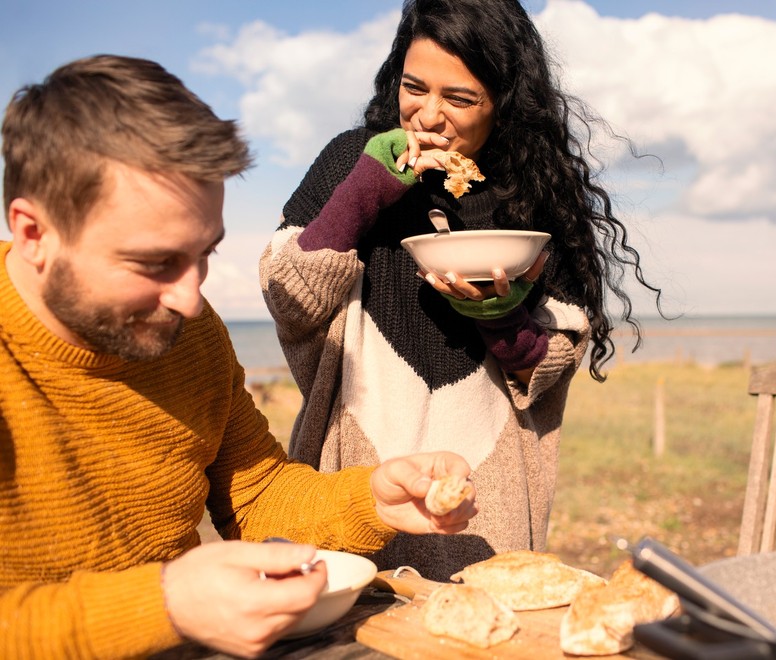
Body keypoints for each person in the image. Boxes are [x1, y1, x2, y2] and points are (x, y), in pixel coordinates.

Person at [0, 54, 477, 659]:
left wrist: (371, 499)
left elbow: (254, 495)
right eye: (154, 263)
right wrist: (164, 604)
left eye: (205, 254)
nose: (190, 300)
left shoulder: (189, 336)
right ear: (35, 233)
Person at [260, 0, 662, 580]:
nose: (428, 115)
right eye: (414, 88)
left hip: (485, 487)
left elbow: (554, 358)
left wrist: (505, 319)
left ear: (505, 102)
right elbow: (290, 298)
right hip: (353, 471)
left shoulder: (534, 187)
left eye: (460, 99)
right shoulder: (354, 159)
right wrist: (365, 192)